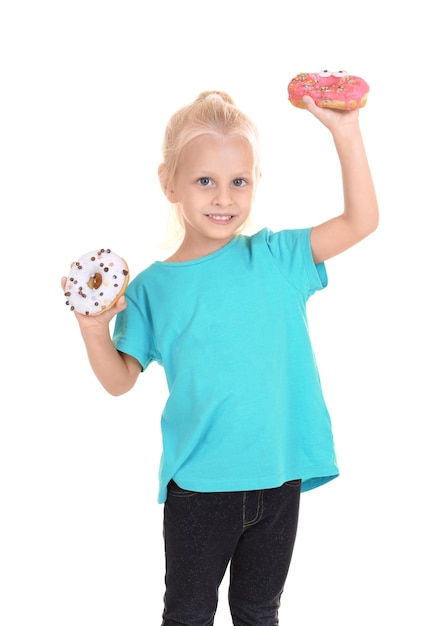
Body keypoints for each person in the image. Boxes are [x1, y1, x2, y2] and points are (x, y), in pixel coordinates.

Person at [63, 89, 379, 625]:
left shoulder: (278, 256)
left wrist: (345, 132)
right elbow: (120, 381)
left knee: (259, 610)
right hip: (200, 490)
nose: (223, 197)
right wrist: (93, 329)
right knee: (188, 614)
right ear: (169, 182)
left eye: (240, 181)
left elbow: (361, 221)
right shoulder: (151, 289)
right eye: (204, 180)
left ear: (256, 183)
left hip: (279, 479)